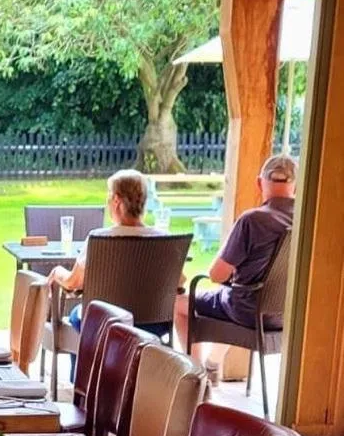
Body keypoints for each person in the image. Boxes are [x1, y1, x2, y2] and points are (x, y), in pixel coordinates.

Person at [174, 154, 295, 359]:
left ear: (259, 183)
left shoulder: (252, 221)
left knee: (178, 303)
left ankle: (196, 378)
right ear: (296, 186)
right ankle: (213, 365)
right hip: (290, 313)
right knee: (229, 296)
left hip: (247, 311)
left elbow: (217, 275)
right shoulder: (306, 220)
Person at [47, 168, 165, 377]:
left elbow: (74, 283)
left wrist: (57, 272)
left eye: (109, 197)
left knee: (80, 315)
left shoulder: (100, 239)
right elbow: (180, 280)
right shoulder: (162, 238)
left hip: (106, 323)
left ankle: (81, 380)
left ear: (117, 201)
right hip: (153, 322)